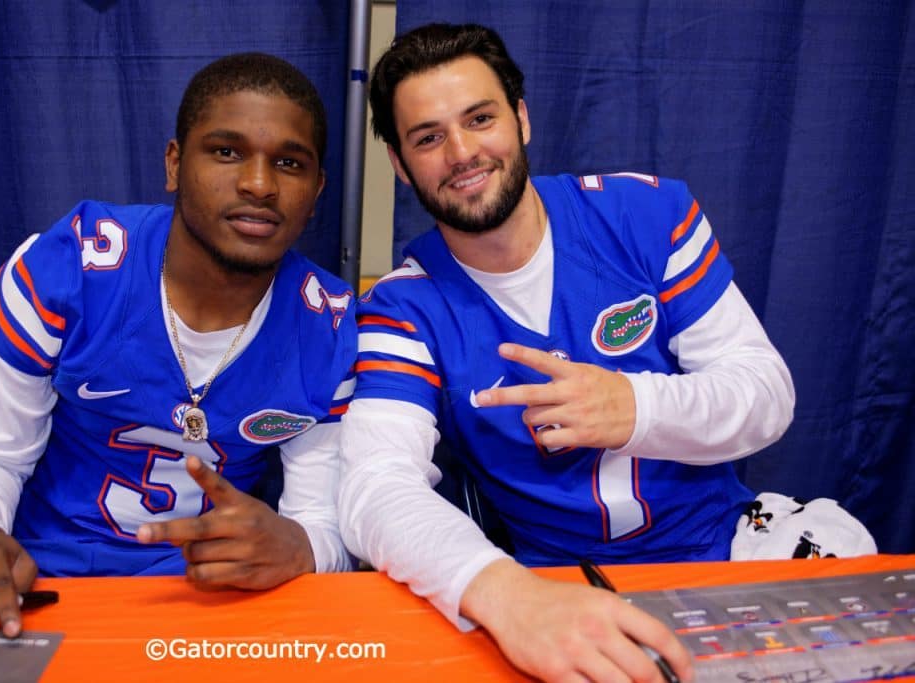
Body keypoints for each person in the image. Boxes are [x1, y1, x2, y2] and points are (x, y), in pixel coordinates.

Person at [339, 23, 798, 682]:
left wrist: (635, 404)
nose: (463, 152)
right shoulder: (403, 306)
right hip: (553, 590)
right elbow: (373, 485)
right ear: (399, 164)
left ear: (521, 118)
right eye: (429, 137)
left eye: (480, 118)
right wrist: (505, 593)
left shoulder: (645, 214)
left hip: (720, 552)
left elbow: (768, 393)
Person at [0, 53, 356, 668]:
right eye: (226, 151)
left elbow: (323, 522)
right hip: (43, 584)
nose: (259, 183)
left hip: (224, 606)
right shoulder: (69, 268)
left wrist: (303, 545)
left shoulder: (330, 324)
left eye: (289, 162)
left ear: (316, 192)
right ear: (175, 164)